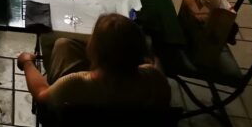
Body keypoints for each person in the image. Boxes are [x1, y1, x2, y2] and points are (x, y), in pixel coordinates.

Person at [17, 13, 170, 108]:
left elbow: (41, 94)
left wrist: (27, 63)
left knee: (63, 45)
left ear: (94, 51)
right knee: (64, 44)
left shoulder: (75, 83)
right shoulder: (153, 78)